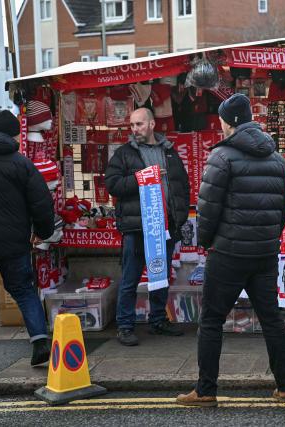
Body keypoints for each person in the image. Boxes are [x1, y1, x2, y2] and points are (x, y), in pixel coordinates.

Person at [176, 94, 285, 407]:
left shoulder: (222, 156)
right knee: (272, 319)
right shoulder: (276, 158)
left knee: (212, 320)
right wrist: (268, 237)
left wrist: (206, 241)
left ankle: (205, 390)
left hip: (228, 253)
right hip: (265, 253)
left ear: (227, 122)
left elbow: (207, 209)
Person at [0, 110, 55, 375]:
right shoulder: (21, 164)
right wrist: (43, 232)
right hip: (14, 244)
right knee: (23, 290)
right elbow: (42, 203)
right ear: (13, 135)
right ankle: (40, 342)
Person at [105, 107, 190, 346]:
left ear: (152, 125)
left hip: (165, 226)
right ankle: (125, 325)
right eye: (132, 125)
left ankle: (158, 320)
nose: (135, 130)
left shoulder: (169, 152)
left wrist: (179, 216)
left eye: (139, 124)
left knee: (160, 276)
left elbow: (182, 185)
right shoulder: (124, 154)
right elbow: (112, 184)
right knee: (130, 278)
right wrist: (140, 178)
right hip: (137, 227)